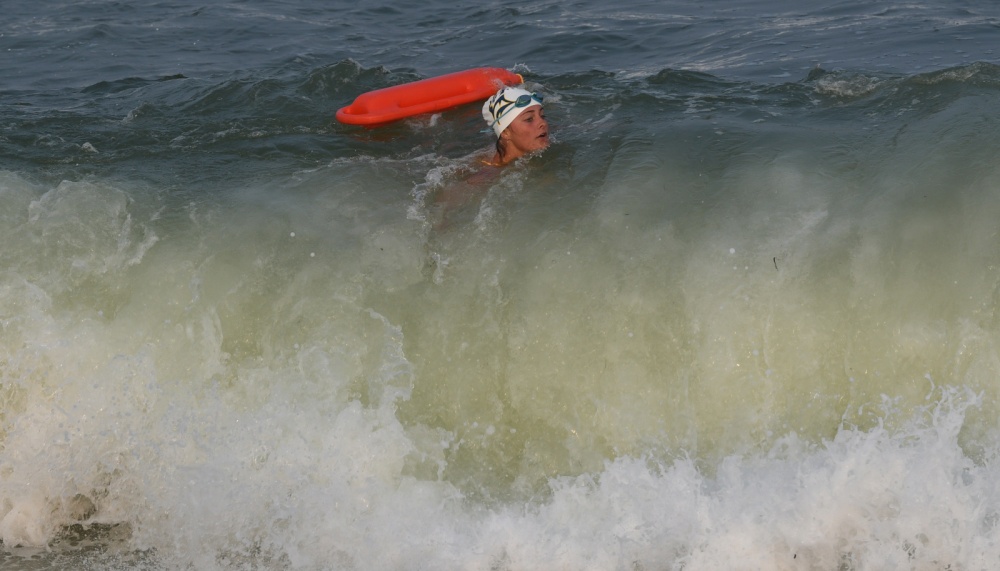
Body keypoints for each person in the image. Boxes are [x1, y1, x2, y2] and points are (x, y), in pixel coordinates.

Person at [481, 87, 550, 166]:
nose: (543, 123)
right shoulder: (491, 172)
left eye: (542, 116)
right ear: (505, 132)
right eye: (529, 119)